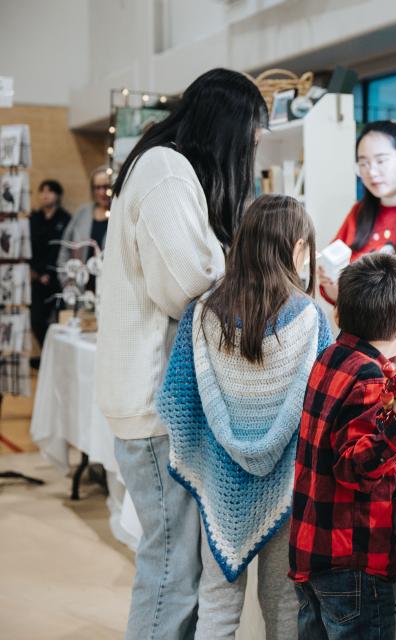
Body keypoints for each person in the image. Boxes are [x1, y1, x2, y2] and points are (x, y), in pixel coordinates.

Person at [95, 68, 267, 640]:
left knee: (174, 565)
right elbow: (188, 282)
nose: (250, 156)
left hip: (151, 402)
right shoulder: (167, 171)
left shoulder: (161, 165)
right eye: (252, 142)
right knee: (172, 568)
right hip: (153, 404)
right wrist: (241, 267)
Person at [157, 194, 333, 638]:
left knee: (216, 602)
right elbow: (324, 404)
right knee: (282, 605)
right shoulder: (311, 318)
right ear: (296, 247)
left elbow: (178, 400)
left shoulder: (201, 313)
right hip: (287, 487)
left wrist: (207, 450)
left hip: (218, 480)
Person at [290, 253, 396, 639]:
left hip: (311, 551)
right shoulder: (369, 377)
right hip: (350, 560)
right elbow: (354, 468)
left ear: (338, 315)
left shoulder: (331, 357)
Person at [317, 120, 396, 304]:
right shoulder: (358, 212)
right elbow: (338, 298)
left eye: (381, 160)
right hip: (366, 327)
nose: (372, 171)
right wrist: (329, 281)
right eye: (364, 163)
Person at [29, 179, 70, 350]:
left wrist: (49, 272)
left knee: (62, 320)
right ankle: (48, 353)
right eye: (42, 191)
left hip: (57, 277)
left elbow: (62, 248)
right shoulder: (34, 218)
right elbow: (29, 246)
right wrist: (36, 272)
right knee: (36, 320)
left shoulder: (65, 218)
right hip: (36, 278)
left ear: (58, 195)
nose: (45, 195)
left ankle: (58, 354)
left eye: (50, 191)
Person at [56, 166, 112, 289]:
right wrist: (65, 280)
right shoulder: (82, 213)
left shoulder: (118, 215)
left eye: (106, 187)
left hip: (108, 287)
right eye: (98, 187)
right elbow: (65, 247)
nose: (102, 192)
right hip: (79, 287)